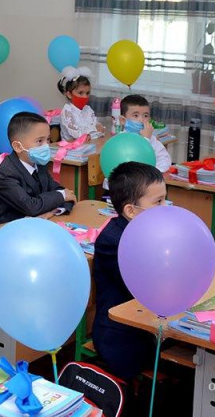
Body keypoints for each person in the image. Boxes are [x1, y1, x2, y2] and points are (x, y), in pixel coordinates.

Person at [92, 162, 166, 380]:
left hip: (150, 325)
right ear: (131, 211)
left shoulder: (153, 229)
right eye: (158, 202)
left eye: (165, 199)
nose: (166, 207)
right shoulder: (113, 241)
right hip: (121, 335)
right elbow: (145, 287)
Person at [0, 112, 75, 224]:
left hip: (34, 225)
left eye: (48, 140)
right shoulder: (7, 174)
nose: (46, 146)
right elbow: (31, 207)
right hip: (7, 230)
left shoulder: (38, 163)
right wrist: (61, 197)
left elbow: (64, 193)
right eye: (40, 141)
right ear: (18, 147)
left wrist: (51, 211)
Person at [102, 95, 171, 191]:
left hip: (144, 187)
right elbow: (133, 168)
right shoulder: (120, 140)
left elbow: (165, 159)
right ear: (122, 120)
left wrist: (151, 174)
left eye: (145, 115)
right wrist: (145, 139)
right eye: (135, 115)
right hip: (119, 190)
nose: (142, 120)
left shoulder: (152, 139)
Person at [58, 68, 102, 142]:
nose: (85, 96)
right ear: (69, 94)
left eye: (87, 93)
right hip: (71, 149)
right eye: (80, 93)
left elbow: (99, 129)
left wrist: (97, 129)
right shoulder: (67, 111)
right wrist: (93, 129)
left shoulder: (88, 109)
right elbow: (76, 134)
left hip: (88, 145)